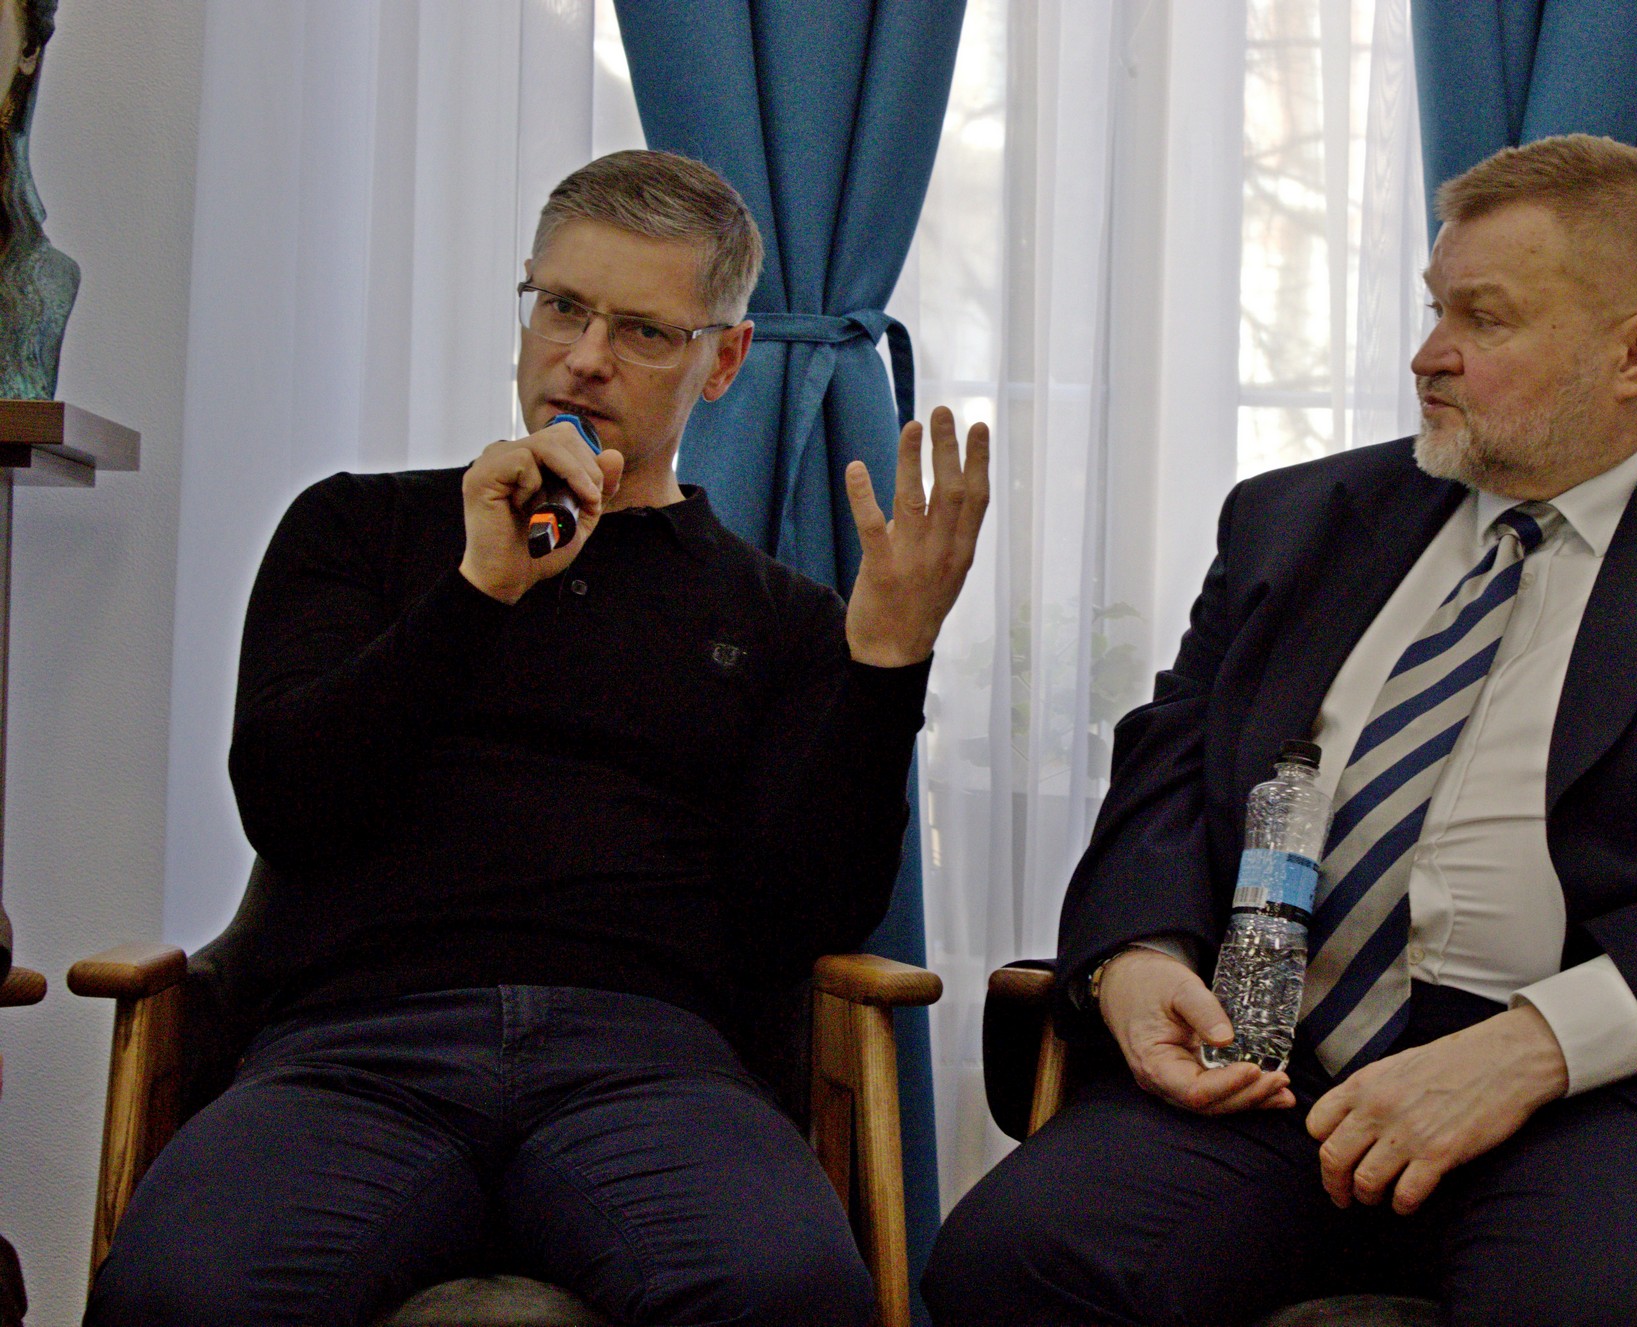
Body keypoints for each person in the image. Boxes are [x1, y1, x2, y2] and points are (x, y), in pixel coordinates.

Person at [923, 133, 1637, 1327]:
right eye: (1433, 308)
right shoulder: (1296, 518)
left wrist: (1532, 1046)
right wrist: (1138, 953)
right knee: (1010, 1263)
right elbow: (1166, 764)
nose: (1427, 354)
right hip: (1268, 1063)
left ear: (1636, 351)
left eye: (1483, 317)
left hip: (1592, 1086)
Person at [86, 149, 989, 1327]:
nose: (585, 357)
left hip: (649, 1059)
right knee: (182, 1292)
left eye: (643, 331)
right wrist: (477, 591)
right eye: (561, 307)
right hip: (353, 1048)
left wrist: (886, 665)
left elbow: (798, 917)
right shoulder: (357, 527)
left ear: (723, 361)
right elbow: (291, 804)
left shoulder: (780, 617)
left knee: (787, 1290)